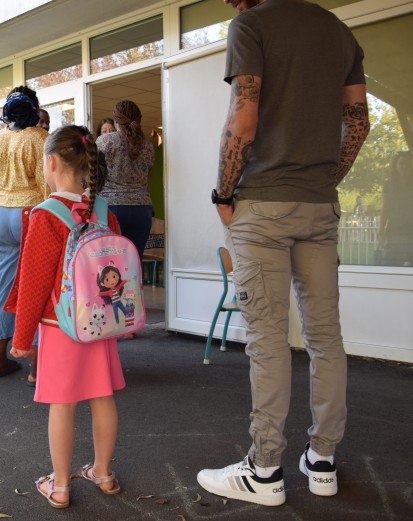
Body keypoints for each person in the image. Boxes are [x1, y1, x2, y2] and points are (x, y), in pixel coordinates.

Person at [197, 0, 370, 507]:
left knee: (268, 341)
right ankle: (322, 462)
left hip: (263, 208)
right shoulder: (338, 31)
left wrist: (224, 193)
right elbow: (358, 125)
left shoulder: (251, 25)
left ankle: (265, 470)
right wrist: (323, 181)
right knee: (324, 337)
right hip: (319, 207)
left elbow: (243, 116)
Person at [9, 125, 125, 509]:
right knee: (102, 397)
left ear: (52, 162)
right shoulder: (105, 211)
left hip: (62, 327)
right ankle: (103, 473)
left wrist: (22, 338)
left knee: (63, 403)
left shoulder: (47, 215)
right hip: (102, 321)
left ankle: (60, 485)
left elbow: (34, 283)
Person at [0, 85, 48, 380]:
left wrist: (0, 203)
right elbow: (47, 186)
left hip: (1, 213)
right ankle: (36, 369)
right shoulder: (39, 140)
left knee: (4, 286)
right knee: (36, 285)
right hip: (30, 212)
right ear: (33, 108)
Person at [96, 100, 155, 261]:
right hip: (142, 210)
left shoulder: (105, 141)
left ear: (116, 121)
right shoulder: (148, 146)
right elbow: (147, 174)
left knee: (110, 265)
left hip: (112, 208)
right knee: (134, 264)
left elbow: (93, 172)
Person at [379, 151, 413, 266]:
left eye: (408, 164)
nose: (405, 167)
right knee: (390, 266)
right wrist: (381, 232)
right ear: (396, 165)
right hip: (394, 233)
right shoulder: (389, 185)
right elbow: (385, 210)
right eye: (402, 163)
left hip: (410, 234)